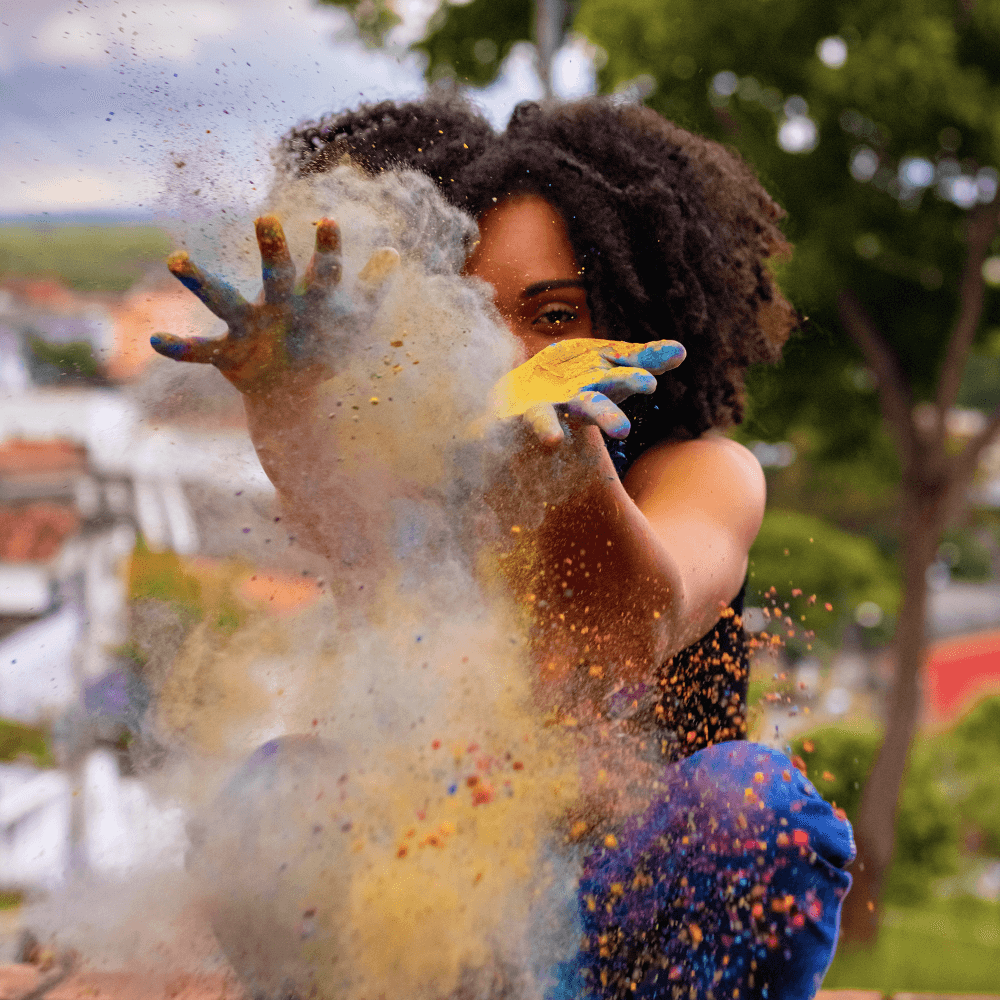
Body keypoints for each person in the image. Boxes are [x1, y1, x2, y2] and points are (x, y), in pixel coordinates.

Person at [152, 95, 853, 1000]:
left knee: (749, 801)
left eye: (553, 315)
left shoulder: (703, 473)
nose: (503, 351)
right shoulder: (413, 490)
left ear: (632, 309)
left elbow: (622, 636)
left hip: (638, 950)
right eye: (465, 315)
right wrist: (284, 404)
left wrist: (558, 456)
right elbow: (333, 514)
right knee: (277, 794)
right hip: (442, 925)